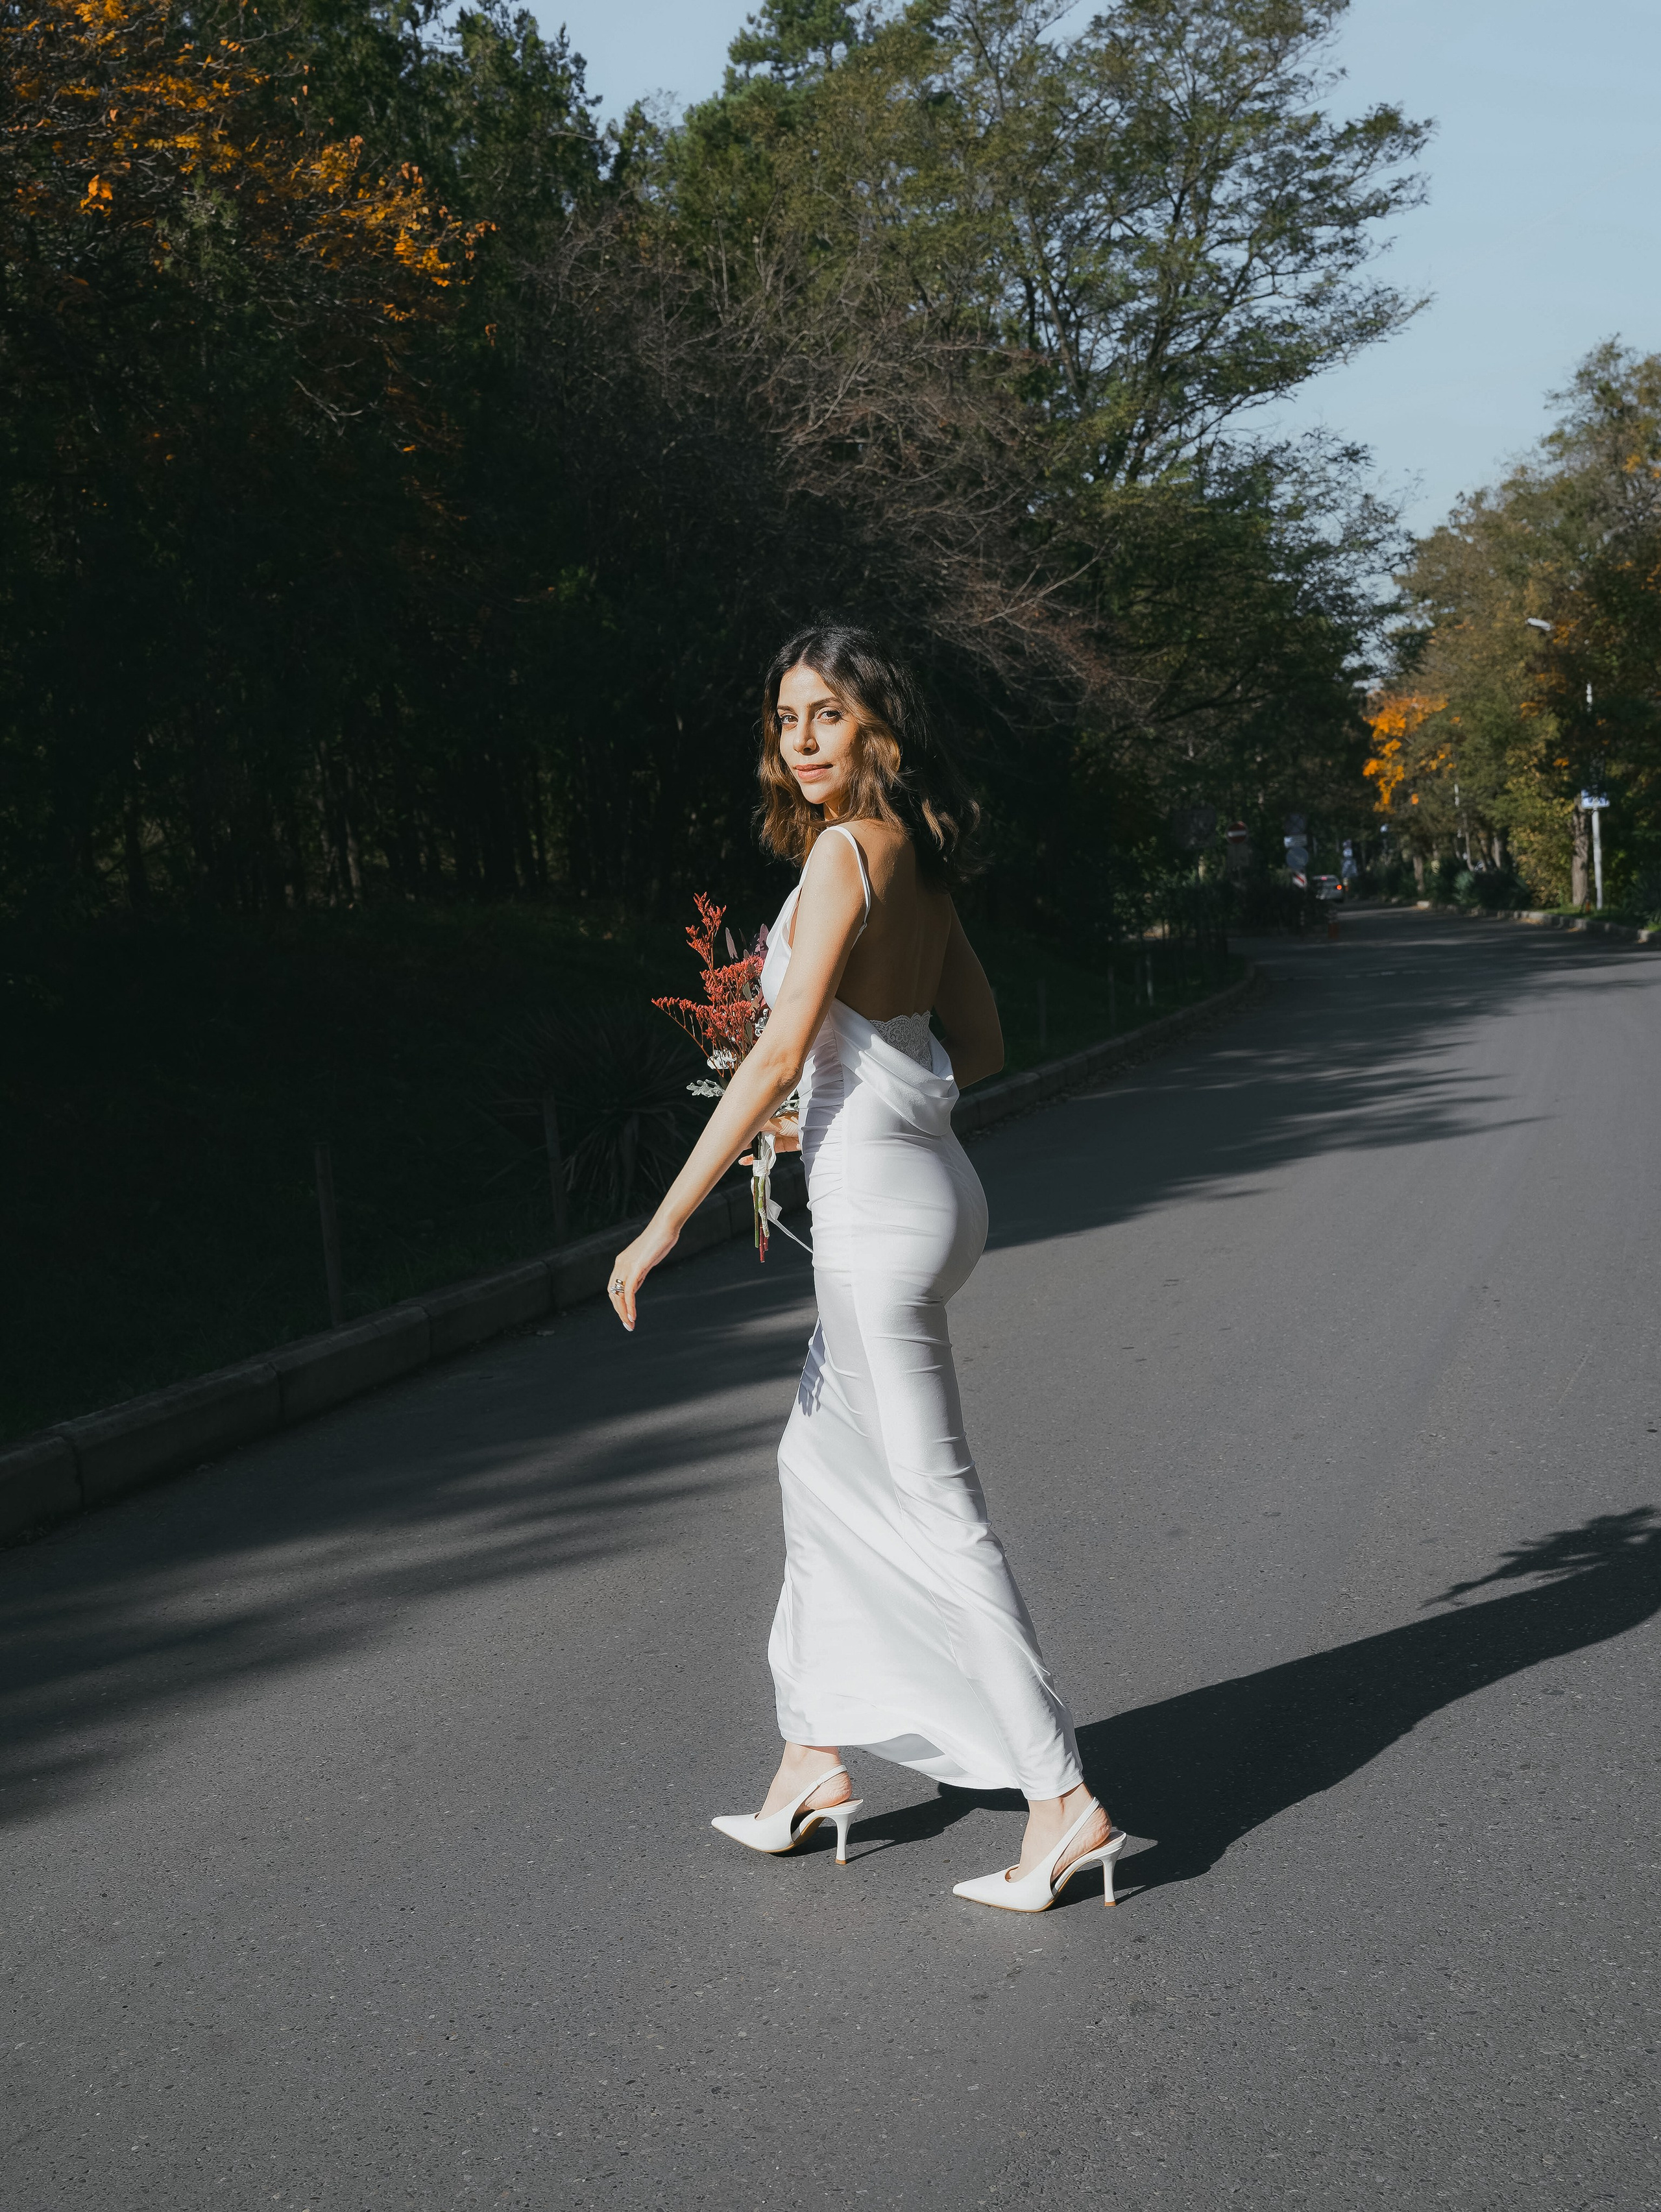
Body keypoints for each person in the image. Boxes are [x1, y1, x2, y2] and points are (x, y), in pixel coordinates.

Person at [607, 624, 1124, 1912]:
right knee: (812, 1462)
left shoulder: (841, 855)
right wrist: (875, 1076)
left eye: (826, 713)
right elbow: (985, 1039)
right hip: (938, 1190)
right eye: (785, 717)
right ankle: (808, 1762)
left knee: (939, 1507)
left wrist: (665, 1218)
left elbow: (777, 1059)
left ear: (876, 725)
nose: (801, 738)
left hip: (874, 1211)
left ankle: (1061, 1804)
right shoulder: (921, 866)